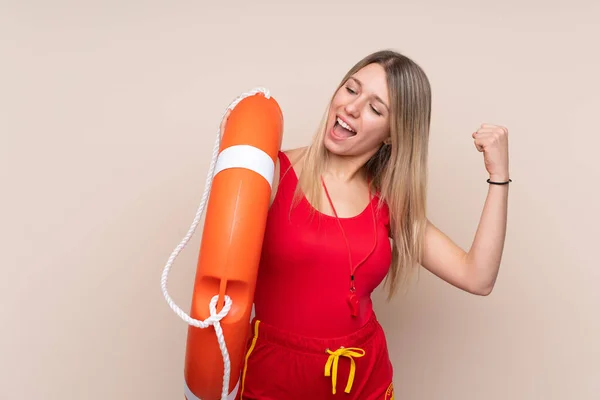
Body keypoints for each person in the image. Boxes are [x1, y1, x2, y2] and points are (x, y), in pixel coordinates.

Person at [225, 49, 510, 399]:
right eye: (351, 89)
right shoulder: (269, 174)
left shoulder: (389, 201)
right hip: (274, 374)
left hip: (362, 377)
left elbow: (477, 277)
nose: (352, 107)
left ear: (393, 134)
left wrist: (499, 176)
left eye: (376, 109)